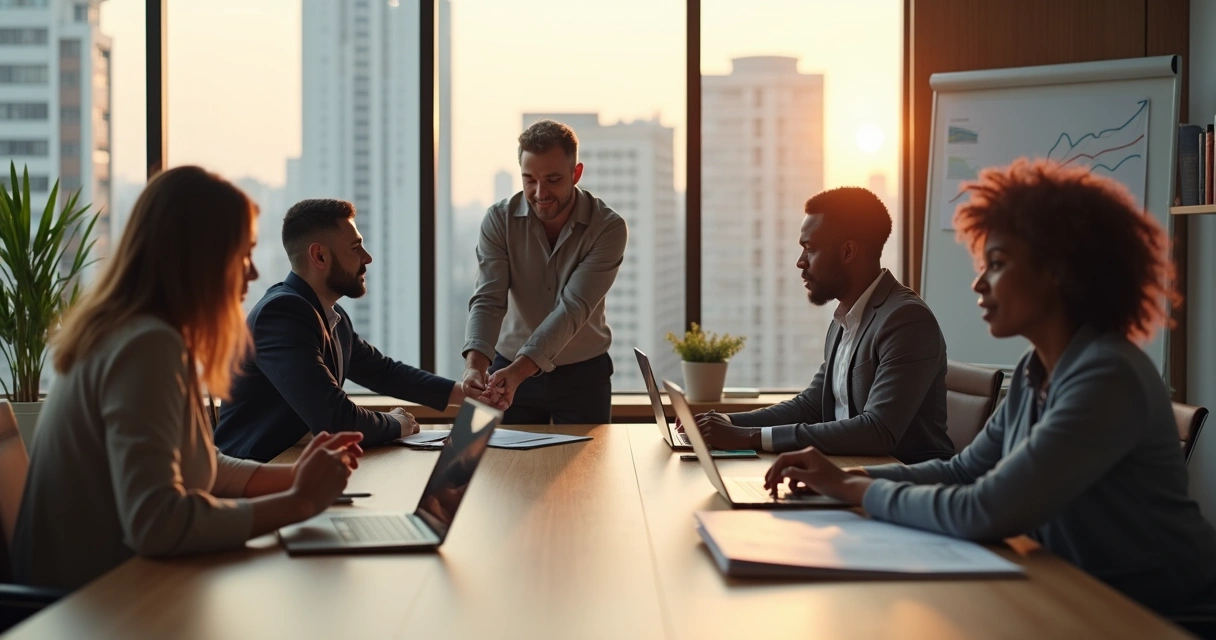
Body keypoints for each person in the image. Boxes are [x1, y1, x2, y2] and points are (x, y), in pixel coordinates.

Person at [764, 159, 1216, 616]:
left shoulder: (1107, 377)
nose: (979, 283)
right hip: (1070, 594)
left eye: (997, 264)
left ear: (1057, 271)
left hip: (1160, 615)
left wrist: (855, 492)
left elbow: (986, 509)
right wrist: (848, 479)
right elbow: (964, 471)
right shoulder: (1033, 371)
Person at [13, 167, 363, 590]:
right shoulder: (144, 346)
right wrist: (298, 503)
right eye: (243, 254)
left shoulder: (141, 333)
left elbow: (199, 463)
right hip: (98, 608)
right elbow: (157, 522)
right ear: (200, 258)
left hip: (116, 594)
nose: (252, 274)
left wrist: (294, 476)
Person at [690, 187, 954, 463]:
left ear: (848, 251)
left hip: (904, 486)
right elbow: (812, 405)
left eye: (810, 249)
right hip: (847, 472)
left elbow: (878, 431)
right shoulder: (846, 318)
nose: (800, 262)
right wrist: (728, 421)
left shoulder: (906, 319)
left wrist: (750, 437)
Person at [215, 199, 472, 462]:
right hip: (254, 479)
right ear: (320, 256)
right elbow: (336, 419)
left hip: (296, 468)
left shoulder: (330, 315)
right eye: (355, 246)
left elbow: (383, 373)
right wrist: (398, 423)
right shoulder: (281, 314)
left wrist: (465, 393)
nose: (367, 257)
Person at [462, 119, 628, 424]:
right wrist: (475, 365)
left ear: (576, 174)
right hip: (505, 369)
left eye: (553, 179)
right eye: (529, 179)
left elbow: (573, 308)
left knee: (585, 471)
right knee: (500, 468)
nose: (540, 193)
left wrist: (520, 371)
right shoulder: (499, 220)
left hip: (582, 376)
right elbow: (488, 299)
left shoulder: (608, 227)